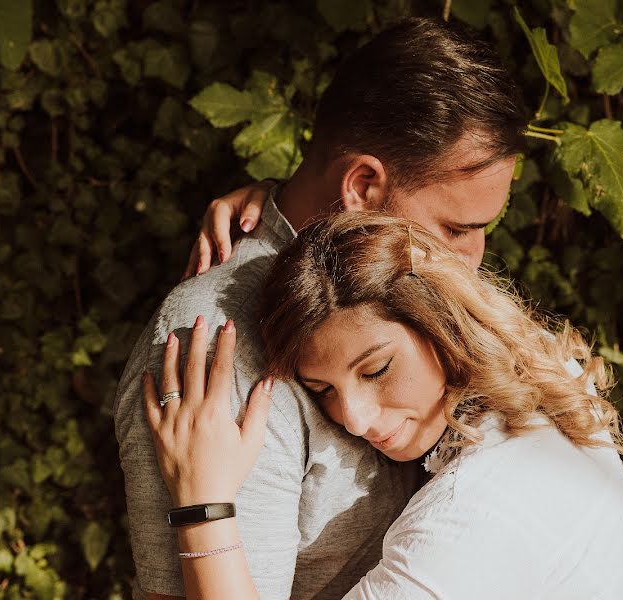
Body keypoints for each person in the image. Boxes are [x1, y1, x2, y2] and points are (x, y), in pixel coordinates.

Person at [114, 17, 525, 600]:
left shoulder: (412, 291)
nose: (472, 260)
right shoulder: (221, 344)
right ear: (361, 186)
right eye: (456, 229)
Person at [142, 212, 623, 599]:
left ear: (440, 321)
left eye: (376, 370)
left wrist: (202, 500)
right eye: (323, 391)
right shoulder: (538, 379)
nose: (355, 419)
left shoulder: (472, 517)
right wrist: (269, 198)